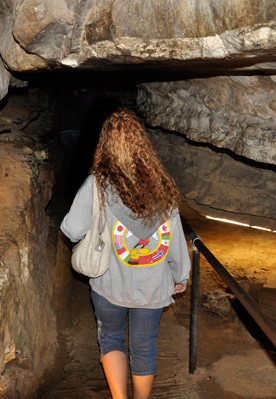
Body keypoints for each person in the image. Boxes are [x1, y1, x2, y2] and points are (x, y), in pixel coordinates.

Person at [60, 109, 191, 399]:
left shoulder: (96, 186)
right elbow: (174, 242)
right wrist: (180, 276)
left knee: (110, 338)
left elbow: (70, 229)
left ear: (104, 146)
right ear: (144, 146)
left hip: (109, 284)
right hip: (152, 286)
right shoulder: (163, 189)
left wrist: (96, 229)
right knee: (144, 346)